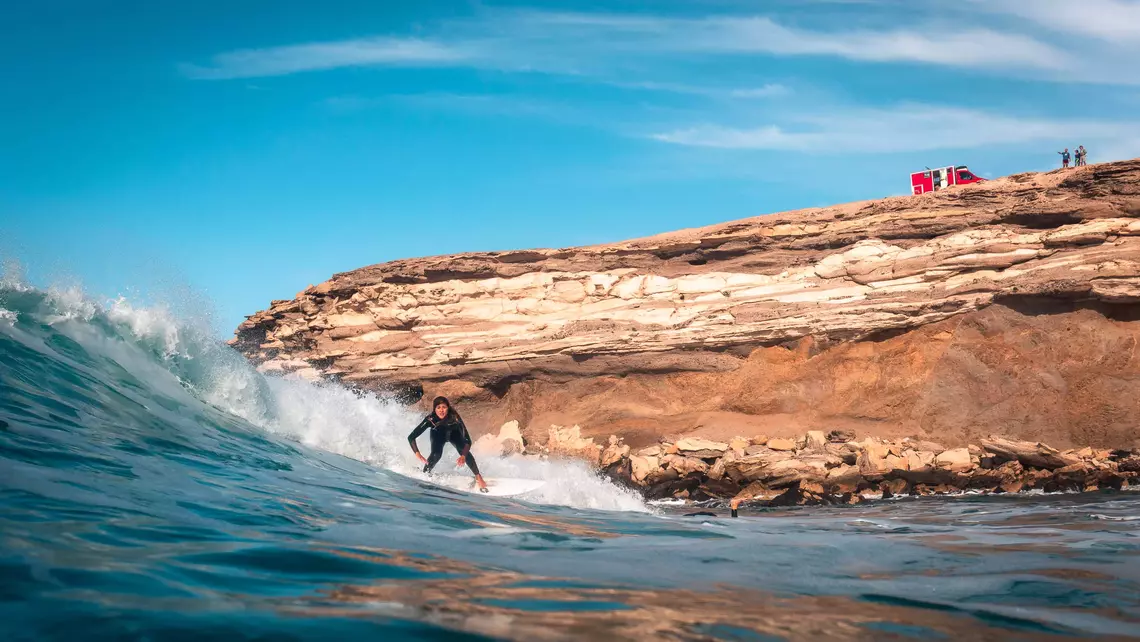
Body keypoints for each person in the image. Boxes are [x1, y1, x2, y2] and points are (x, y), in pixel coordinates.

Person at [408, 396, 489, 492]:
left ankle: (478, 476)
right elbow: (411, 437)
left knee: (463, 450)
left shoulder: (455, 417)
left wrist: (463, 455)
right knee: (436, 454)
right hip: (437, 435)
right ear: (434, 409)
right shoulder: (430, 420)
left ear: (448, 408)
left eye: (444, 407)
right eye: (438, 408)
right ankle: (425, 474)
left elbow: (468, 440)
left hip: (454, 434)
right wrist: (417, 453)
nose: (441, 410)